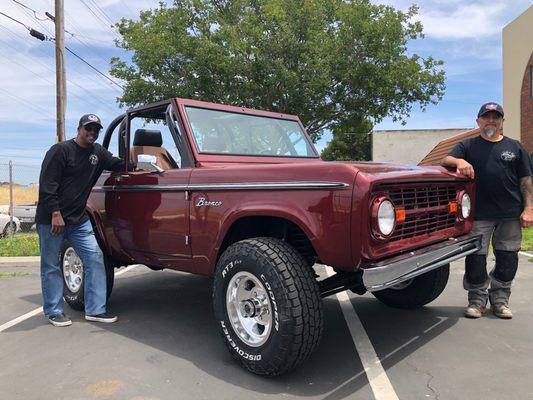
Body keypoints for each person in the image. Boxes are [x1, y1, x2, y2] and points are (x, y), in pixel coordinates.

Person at [442, 102, 533, 319]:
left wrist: (529, 208)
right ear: (478, 121)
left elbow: (526, 181)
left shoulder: (516, 147)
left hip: (510, 214)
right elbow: (445, 160)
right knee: (476, 259)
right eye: (486, 117)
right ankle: (477, 300)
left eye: (496, 117)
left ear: (502, 122)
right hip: (478, 214)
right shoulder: (468, 146)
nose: (491, 121)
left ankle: (500, 300)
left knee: (508, 258)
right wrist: (459, 160)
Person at [36, 114, 125, 327]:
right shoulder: (60, 151)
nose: (92, 133)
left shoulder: (98, 153)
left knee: (94, 259)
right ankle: (54, 311)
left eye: (96, 130)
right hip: (52, 220)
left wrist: (140, 157)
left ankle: (95, 310)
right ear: (79, 129)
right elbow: (47, 184)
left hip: (78, 220)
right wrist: (55, 213)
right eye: (88, 128)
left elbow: (118, 164)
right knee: (51, 266)